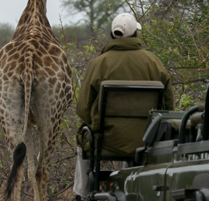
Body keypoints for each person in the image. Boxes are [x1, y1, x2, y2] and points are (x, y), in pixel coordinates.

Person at [74, 13, 174, 200]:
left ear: (112, 35)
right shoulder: (154, 63)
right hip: (146, 142)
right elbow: (169, 109)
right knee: (136, 140)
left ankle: (83, 194)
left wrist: (96, 123)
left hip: (106, 141)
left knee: (83, 137)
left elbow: (82, 109)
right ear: (135, 34)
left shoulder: (98, 64)